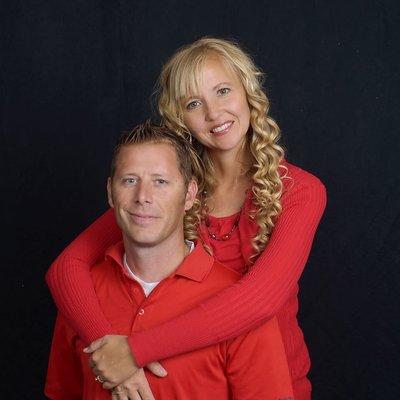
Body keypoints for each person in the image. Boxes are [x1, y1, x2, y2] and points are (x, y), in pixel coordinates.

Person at [46, 37, 326, 400]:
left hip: (268, 383)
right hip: (181, 377)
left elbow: (260, 301)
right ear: (180, 118)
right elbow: (65, 268)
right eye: (194, 103)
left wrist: (133, 351)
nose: (214, 113)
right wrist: (107, 350)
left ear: (248, 91)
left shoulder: (300, 191)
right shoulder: (173, 191)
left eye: (223, 91)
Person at [45, 122, 294, 400]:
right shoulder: (81, 297)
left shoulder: (237, 310)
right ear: (110, 192)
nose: (143, 197)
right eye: (129, 180)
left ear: (189, 195)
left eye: (160, 182)